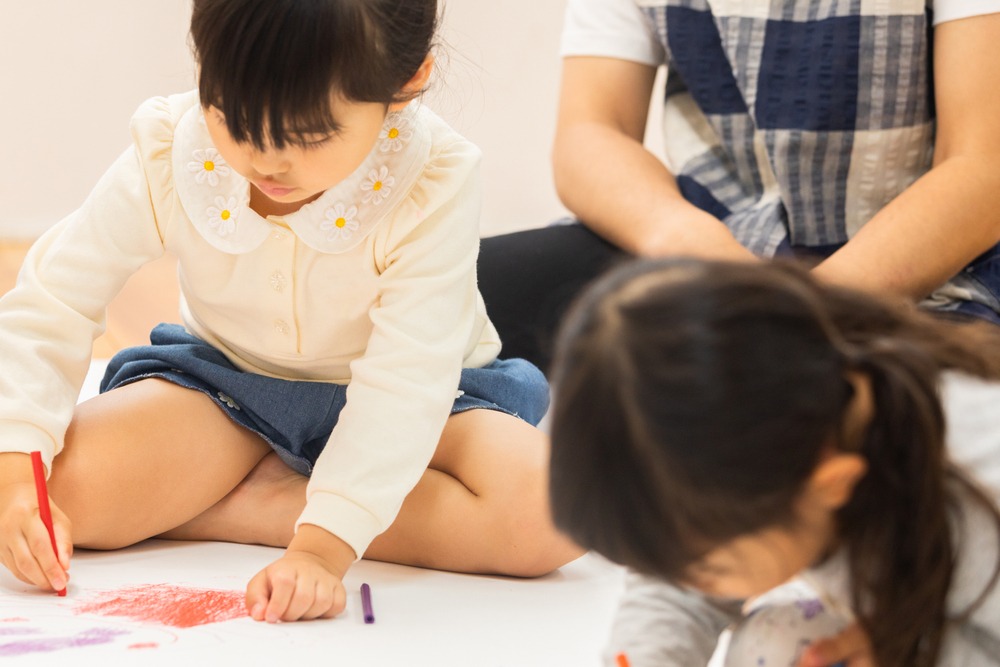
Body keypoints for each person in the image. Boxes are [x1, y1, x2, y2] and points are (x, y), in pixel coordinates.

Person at [0, 0, 580, 623]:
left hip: (435, 406)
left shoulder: (434, 177)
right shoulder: (171, 146)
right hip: (228, 390)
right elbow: (55, 296)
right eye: (232, 119)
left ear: (406, 83)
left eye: (307, 136)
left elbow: (408, 382)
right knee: (54, 491)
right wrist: (14, 468)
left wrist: (322, 547)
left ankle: (269, 504)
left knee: (555, 511)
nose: (265, 162)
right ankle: (279, 488)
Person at [477, 0, 1000, 374]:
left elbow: (982, 168)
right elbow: (590, 134)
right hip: (711, 241)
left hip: (936, 269)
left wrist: (794, 312)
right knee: (451, 305)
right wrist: (692, 243)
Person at [547, 257, 1000, 666]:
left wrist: (919, 649)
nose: (691, 582)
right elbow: (677, 585)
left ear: (830, 484)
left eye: (710, 569)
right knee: (776, 645)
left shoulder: (978, 483)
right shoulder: (791, 437)